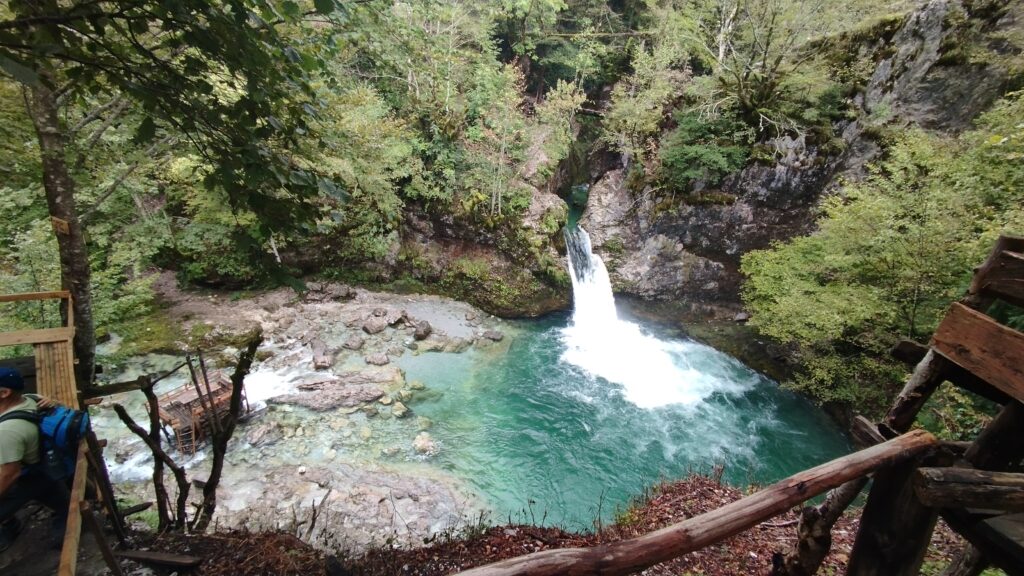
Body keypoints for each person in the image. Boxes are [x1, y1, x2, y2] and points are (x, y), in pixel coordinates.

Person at [0, 367, 70, 552]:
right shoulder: (31, 399)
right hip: (41, 464)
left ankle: (9, 524)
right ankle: (65, 512)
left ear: (5, 393)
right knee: (59, 500)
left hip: (27, 475)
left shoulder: (8, 430)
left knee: (38, 489)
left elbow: (9, 475)